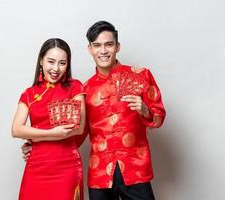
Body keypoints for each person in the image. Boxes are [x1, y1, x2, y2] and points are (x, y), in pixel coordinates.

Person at [22, 21, 166, 200]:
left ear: (117, 47)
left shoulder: (141, 75)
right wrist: (38, 146)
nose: (103, 51)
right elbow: (75, 134)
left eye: (109, 44)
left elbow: (159, 117)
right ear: (90, 49)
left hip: (134, 169)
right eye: (97, 45)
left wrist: (145, 110)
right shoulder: (84, 90)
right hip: (100, 175)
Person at [12, 38, 86, 200]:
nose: (55, 68)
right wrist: (53, 133)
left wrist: (34, 136)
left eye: (62, 63)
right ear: (41, 61)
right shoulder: (29, 94)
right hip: (36, 166)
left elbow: (78, 128)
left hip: (66, 166)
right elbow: (16, 129)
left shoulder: (75, 87)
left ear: (68, 64)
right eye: (51, 62)